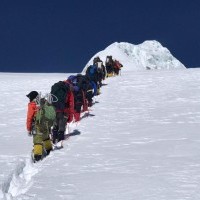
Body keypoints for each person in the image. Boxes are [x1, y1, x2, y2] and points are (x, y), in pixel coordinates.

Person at [26, 91, 53, 162]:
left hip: (37, 124)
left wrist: (28, 129)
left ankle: (37, 157)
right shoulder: (43, 102)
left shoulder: (32, 104)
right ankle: (50, 151)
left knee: (37, 141)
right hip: (45, 124)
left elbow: (29, 117)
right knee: (46, 138)